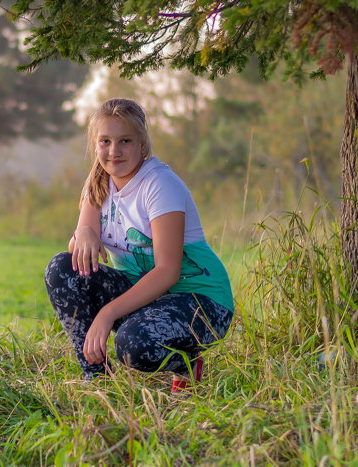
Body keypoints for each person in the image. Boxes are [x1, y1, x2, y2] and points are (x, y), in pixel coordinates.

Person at [44, 98, 233, 389]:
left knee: (133, 347)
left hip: (201, 302)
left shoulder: (159, 185)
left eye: (125, 141)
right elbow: (79, 259)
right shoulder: (97, 183)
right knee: (61, 269)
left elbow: (168, 271)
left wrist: (107, 314)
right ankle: (98, 381)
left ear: (142, 145)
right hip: (147, 296)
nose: (114, 151)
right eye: (105, 141)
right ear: (95, 145)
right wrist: (82, 232)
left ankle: (186, 363)